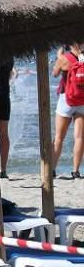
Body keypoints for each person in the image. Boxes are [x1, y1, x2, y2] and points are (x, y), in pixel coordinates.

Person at [52, 45, 84, 179]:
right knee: (80, 137)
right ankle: (76, 171)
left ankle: (52, 169)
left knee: (59, 137)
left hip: (66, 98)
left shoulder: (64, 58)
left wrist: (58, 56)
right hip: (82, 99)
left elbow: (55, 74)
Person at [0, 59, 15, 178]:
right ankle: (3, 169)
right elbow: (10, 75)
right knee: (4, 134)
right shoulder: (9, 58)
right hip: (4, 96)